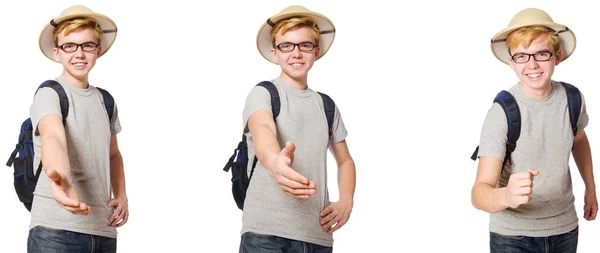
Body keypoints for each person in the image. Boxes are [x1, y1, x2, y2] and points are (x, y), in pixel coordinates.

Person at [471, 8, 598, 252]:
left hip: (565, 229)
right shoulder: (503, 112)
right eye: (522, 56)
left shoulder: (573, 99)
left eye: (541, 54)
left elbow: (579, 138)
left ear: (556, 57)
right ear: (511, 61)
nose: (532, 64)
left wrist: (590, 189)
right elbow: (479, 192)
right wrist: (506, 196)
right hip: (513, 237)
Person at [239, 5, 356, 253]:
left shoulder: (326, 105)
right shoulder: (263, 93)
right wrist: (274, 161)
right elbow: (263, 131)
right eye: (287, 45)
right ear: (275, 53)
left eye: (304, 45)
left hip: (317, 236)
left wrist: (346, 200)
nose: (296, 53)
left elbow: (345, 161)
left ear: (315, 51)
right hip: (266, 234)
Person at [27, 5, 128, 252]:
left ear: (98, 50)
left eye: (87, 45)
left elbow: (113, 154)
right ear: (56, 51)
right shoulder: (49, 93)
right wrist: (59, 179)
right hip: (55, 231)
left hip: (103, 231)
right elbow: (53, 136)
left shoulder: (106, 101)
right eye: (69, 46)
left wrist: (122, 196)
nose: (79, 54)